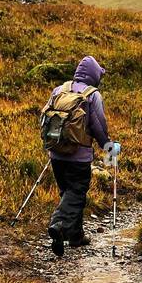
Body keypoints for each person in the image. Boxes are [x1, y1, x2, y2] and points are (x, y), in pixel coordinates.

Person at [43, 56, 110, 258]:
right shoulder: (92, 96)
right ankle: (58, 224)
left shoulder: (59, 90)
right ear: (95, 76)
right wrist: (107, 145)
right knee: (77, 193)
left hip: (56, 153)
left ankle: (75, 236)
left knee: (67, 191)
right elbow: (98, 126)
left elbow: (45, 118)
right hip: (79, 157)